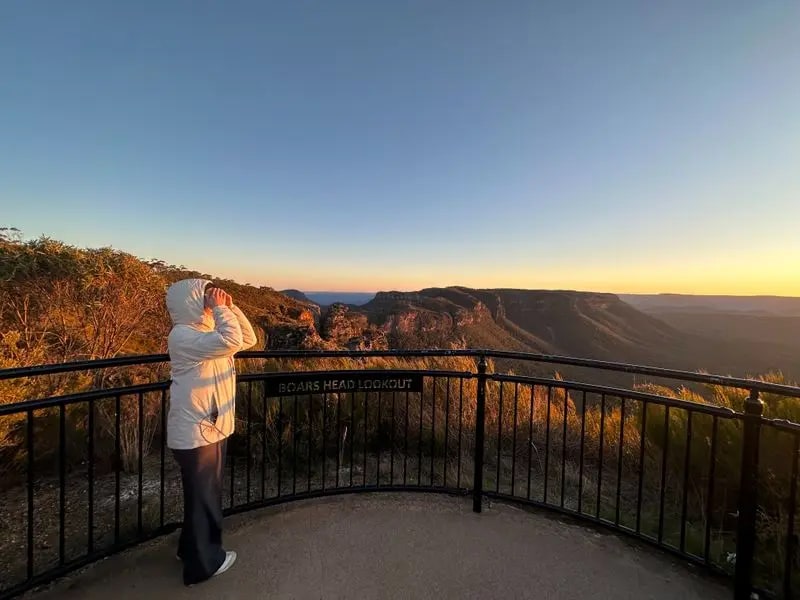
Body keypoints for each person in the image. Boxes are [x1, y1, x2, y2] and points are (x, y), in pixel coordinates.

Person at [165, 278, 258, 585]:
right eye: (203, 298)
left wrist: (230, 306)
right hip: (197, 431)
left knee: (201, 495)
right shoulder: (183, 336)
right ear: (189, 303)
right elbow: (231, 341)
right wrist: (219, 307)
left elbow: (248, 339)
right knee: (205, 496)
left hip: (207, 427)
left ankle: (189, 549)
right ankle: (204, 564)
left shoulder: (203, 334)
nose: (209, 302)